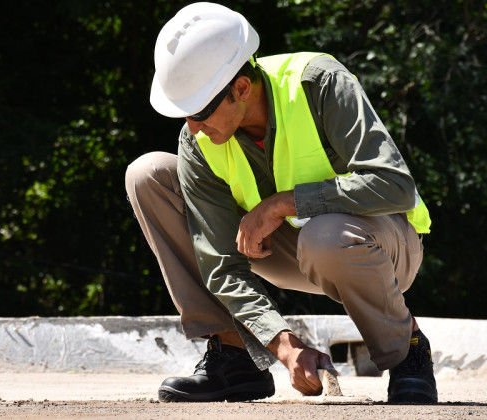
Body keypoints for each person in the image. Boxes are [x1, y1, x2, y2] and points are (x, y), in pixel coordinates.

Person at [125, 2, 437, 404]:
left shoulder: (318, 83)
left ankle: (406, 349)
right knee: (148, 174)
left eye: (200, 112)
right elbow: (220, 263)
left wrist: (279, 205)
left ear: (241, 88)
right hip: (285, 251)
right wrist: (286, 349)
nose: (192, 127)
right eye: (184, 114)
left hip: (380, 246)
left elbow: (395, 186)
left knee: (325, 235)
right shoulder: (198, 141)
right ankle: (234, 357)